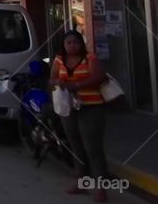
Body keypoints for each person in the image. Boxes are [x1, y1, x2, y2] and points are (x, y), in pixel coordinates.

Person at [50, 30, 109, 202]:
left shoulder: (90, 58)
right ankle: (81, 182)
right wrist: (58, 82)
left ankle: (101, 188)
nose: (72, 46)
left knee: (93, 148)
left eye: (75, 42)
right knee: (76, 147)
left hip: (91, 107)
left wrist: (77, 85)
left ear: (81, 43)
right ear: (64, 45)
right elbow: (51, 79)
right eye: (68, 43)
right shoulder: (59, 60)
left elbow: (100, 77)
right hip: (68, 108)